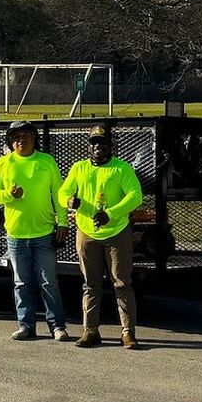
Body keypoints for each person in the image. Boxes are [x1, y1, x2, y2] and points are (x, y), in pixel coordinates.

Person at [60, 125, 144, 348]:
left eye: (102, 142)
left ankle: (128, 332)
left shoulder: (121, 169)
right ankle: (90, 330)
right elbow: (63, 192)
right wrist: (69, 201)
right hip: (87, 232)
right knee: (90, 284)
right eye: (94, 142)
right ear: (89, 146)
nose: (98, 146)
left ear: (110, 145)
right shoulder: (79, 168)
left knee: (122, 283)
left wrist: (111, 214)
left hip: (117, 233)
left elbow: (136, 196)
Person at [0, 121, 69, 342]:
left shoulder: (46, 161)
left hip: (43, 232)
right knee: (22, 283)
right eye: (16, 137)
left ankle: (57, 327)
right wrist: (9, 195)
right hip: (16, 234)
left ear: (34, 138)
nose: (21, 140)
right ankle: (26, 325)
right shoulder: (4, 163)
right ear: (11, 142)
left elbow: (59, 195)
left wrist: (63, 223)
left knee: (49, 282)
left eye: (26, 135)